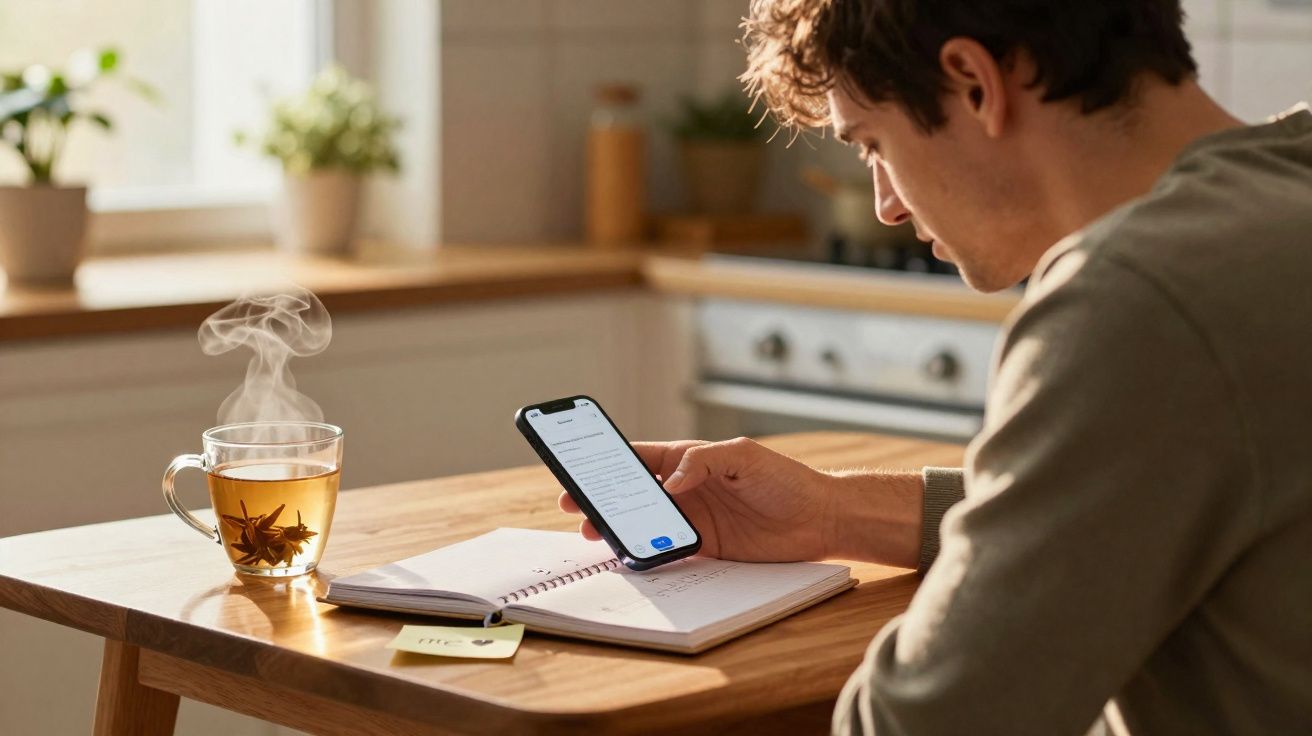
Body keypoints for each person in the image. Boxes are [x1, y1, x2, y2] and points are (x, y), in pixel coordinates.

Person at [559, 1, 1312, 734]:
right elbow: (1160, 498)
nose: (885, 205)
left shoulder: (1136, 297)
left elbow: (924, 722)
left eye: (872, 145)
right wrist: (832, 513)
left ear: (974, 83)